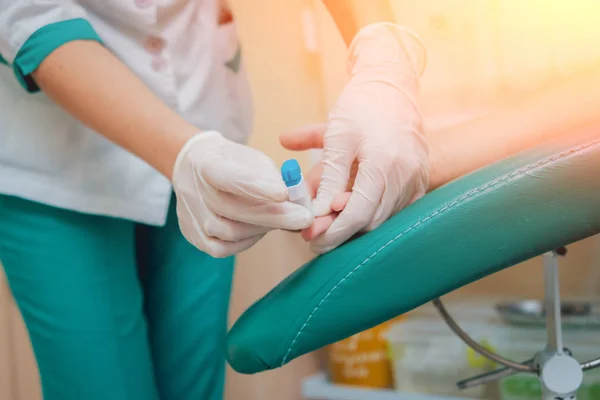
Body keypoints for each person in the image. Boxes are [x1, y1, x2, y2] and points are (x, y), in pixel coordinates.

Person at [0, 1, 431, 399]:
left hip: (199, 98)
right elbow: (32, 16)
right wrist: (187, 154)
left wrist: (384, 58)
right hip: (54, 155)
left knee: (195, 380)